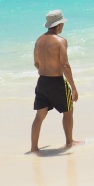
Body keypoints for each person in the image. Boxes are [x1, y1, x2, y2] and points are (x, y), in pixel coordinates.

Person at [29, 10, 81, 153]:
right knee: (68, 111)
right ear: (59, 25)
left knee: (39, 116)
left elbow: (36, 63)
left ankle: (34, 148)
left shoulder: (39, 40)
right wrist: (73, 87)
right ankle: (69, 142)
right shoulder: (61, 41)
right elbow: (65, 65)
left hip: (42, 82)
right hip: (57, 82)